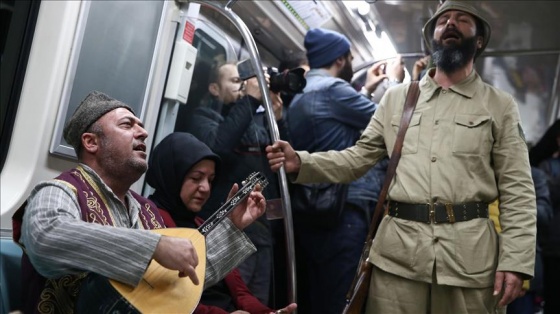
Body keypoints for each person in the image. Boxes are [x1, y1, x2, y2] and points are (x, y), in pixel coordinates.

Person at [266, 1, 537, 313]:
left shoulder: (499, 105)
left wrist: (516, 261)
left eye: (462, 19)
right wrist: (301, 162)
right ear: (432, 38)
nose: (450, 24)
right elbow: (358, 158)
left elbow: (517, 188)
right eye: (442, 20)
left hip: (469, 263)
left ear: (478, 40)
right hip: (398, 259)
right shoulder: (398, 99)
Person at [13, 91, 267, 313]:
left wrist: (232, 227)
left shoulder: (146, 210)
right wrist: (154, 247)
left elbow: (177, 281)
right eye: (127, 125)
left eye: (141, 126)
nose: (143, 132)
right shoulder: (61, 190)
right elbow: (47, 236)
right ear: (91, 142)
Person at [285, 27, 403, 314]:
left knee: (317, 294)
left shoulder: (301, 95)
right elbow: (390, 121)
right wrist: (397, 85)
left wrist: (367, 89)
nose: (351, 64)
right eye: (350, 58)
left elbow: (336, 122)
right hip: (342, 210)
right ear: (339, 60)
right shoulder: (334, 91)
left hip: (311, 208)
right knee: (341, 297)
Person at [145, 132, 297, 314]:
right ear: (172, 174)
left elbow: (238, 290)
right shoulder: (150, 221)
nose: (205, 188)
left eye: (210, 180)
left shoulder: (204, 224)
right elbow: (166, 298)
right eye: (196, 178)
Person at [185, 62, 287, 305]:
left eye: (245, 81)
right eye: (235, 81)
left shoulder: (252, 122)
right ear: (214, 88)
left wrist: (277, 121)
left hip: (261, 232)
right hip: (228, 230)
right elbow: (218, 147)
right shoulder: (203, 118)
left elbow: (278, 166)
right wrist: (251, 100)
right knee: (231, 302)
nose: (243, 86)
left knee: (257, 301)